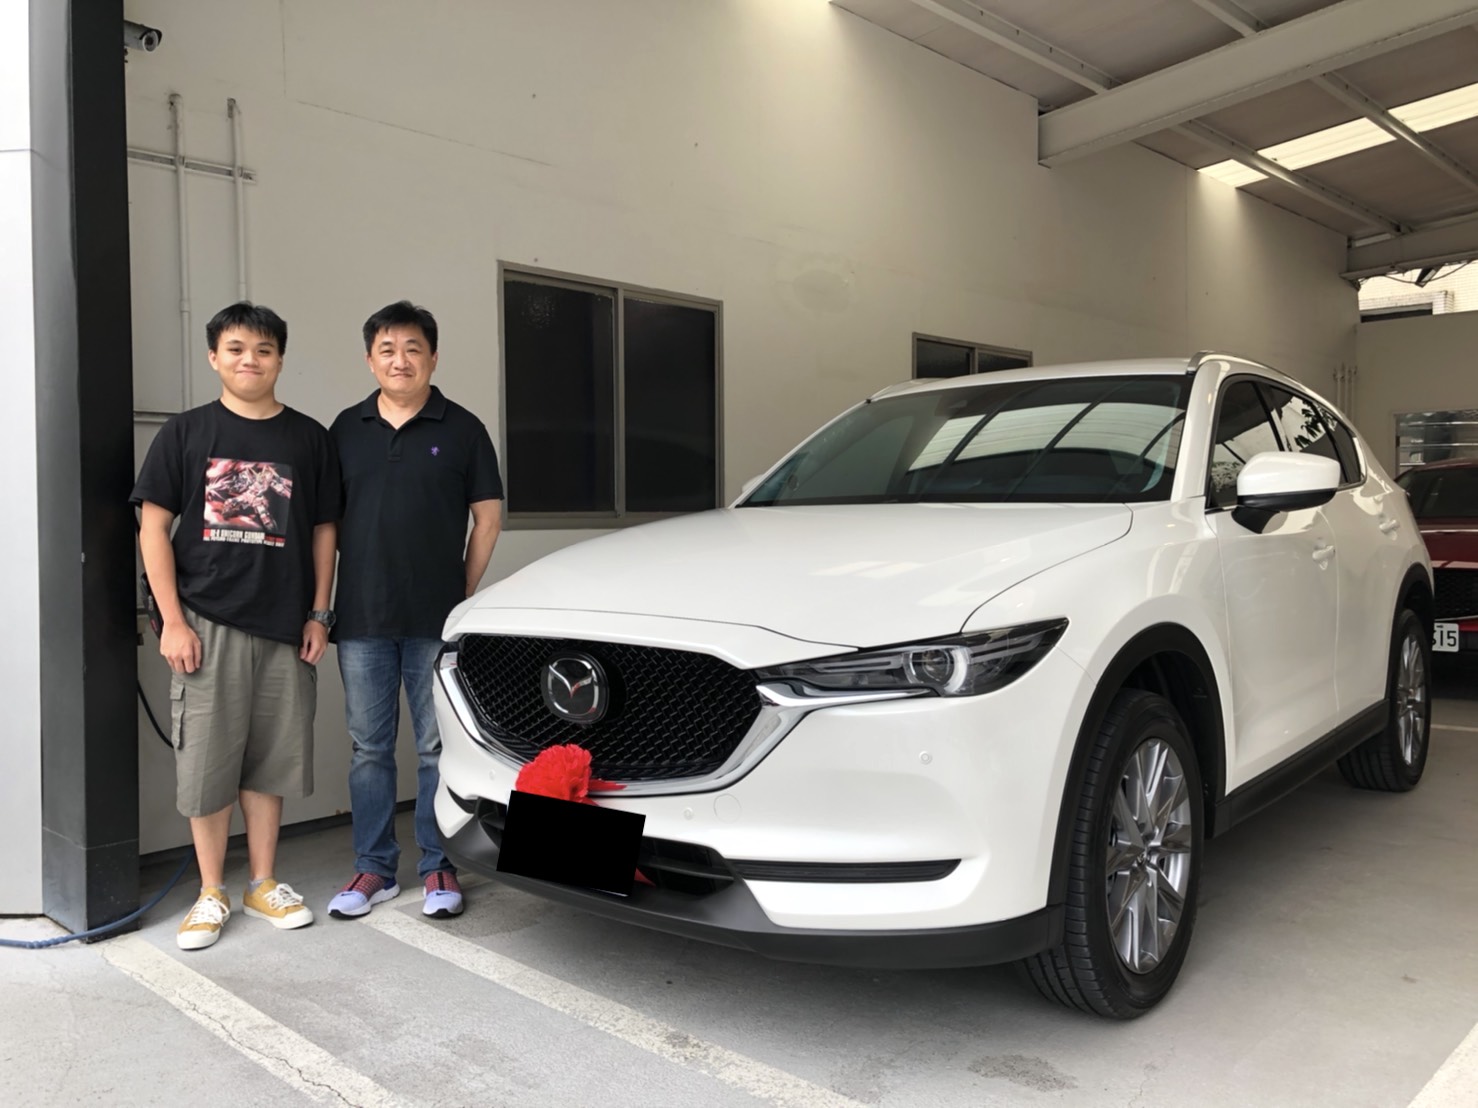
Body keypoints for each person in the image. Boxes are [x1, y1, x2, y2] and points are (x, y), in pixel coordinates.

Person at [133, 302, 342, 950]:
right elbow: (152, 529)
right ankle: (210, 891)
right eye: (236, 348)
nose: (250, 360)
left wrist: (319, 613)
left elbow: (324, 531)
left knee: (271, 762)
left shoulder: (309, 438)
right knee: (206, 765)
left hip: (285, 625)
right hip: (206, 623)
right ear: (214, 357)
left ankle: (261, 882)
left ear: (280, 359)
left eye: (263, 350)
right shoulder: (186, 433)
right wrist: (172, 621)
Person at [327, 300, 503, 920]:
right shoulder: (345, 429)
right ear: (370, 359)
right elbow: (326, 524)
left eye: (412, 349)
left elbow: (488, 517)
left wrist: (462, 592)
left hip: (435, 618)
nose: (400, 360)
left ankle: (438, 864)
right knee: (369, 750)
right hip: (362, 619)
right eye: (387, 349)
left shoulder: (463, 428)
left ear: (433, 357)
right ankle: (374, 868)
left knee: (435, 748)